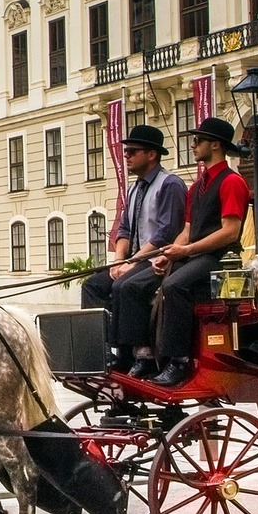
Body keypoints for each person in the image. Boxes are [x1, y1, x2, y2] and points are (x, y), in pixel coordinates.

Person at [141, 117, 253, 388]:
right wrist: (168, 254)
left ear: (215, 145)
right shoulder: (197, 186)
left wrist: (186, 250)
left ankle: (178, 361)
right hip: (197, 255)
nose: (193, 144)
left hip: (220, 259)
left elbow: (230, 232)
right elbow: (188, 230)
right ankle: (146, 356)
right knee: (148, 284)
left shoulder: (232, 182)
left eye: (198, 140)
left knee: (175, 285)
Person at [81, 124, 188, 374]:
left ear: (152, 154)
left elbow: (166, 232)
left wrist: (132, 262)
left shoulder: (169, 184)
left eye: (132, 151)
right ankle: (106, 349)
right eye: (126, 151)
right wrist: (119, 260)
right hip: (135, 259)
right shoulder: (134, 187)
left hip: (160, 259)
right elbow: (124, 229)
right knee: (93, 286)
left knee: (126, 286)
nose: (126, 155)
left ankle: (143, 355)